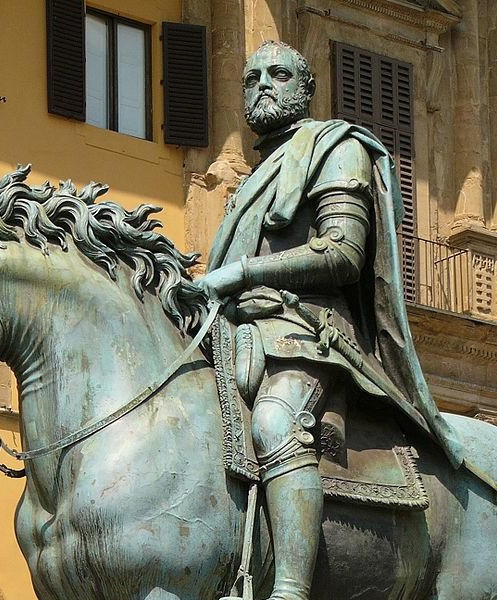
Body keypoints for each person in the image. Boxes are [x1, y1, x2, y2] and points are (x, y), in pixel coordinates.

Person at [196, 40, 465, 600]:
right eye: (250, 78)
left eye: (277, 73)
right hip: (238, 333)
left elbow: (342, 251)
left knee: (274, 422)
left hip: (307, 335)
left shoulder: (335, 148)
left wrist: (243, 272)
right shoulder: (252, 178)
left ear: (305, 88)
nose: (262, 84)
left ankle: (290, 588)